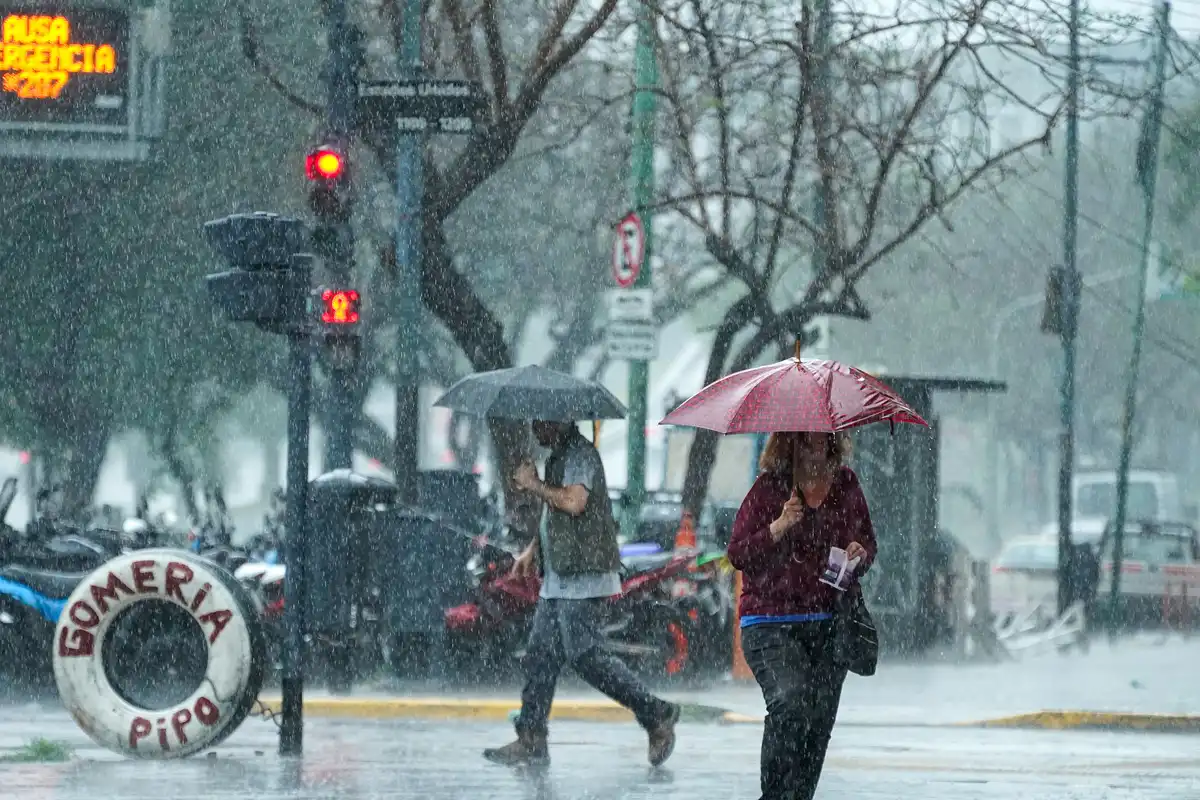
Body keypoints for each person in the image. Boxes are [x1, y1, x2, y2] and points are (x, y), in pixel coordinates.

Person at [483, 419, 680, 767]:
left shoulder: (581, 456)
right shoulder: (558, 457)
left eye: (540, 422)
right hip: (559, 577)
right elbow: (554, 516)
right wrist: (533, 549)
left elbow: (574, 502)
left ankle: (657, 714)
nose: (533, 429)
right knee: (540, 655)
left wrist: (533, 484)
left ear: (559, 420)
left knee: (587, 656)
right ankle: (531, 736)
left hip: (584, 576)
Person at [727, 431, 877, 800]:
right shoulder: (769, 488)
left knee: (818, 723)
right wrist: (778, 526)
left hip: (830, 623)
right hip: (770, 623)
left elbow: (868, 544)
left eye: (821, 434)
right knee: (791, 703)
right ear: (788, 440)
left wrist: (859, 554)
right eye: (804, 435)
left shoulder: (846, 483)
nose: (813, 441)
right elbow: (738, 554)